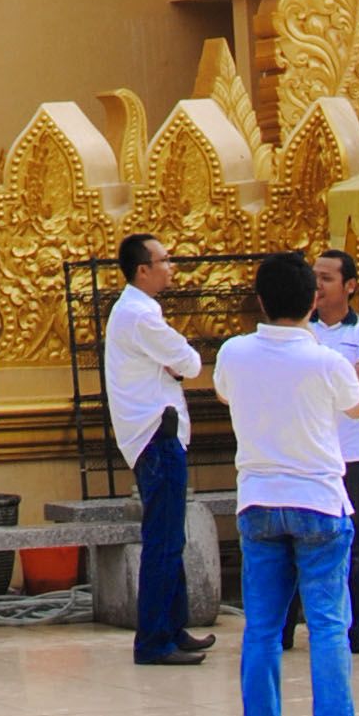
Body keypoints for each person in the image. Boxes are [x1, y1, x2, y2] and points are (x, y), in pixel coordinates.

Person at [215, 248, 359, 716]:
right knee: (329, 624)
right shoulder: (327, 360)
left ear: (260, 300)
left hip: (259, 500)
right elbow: (356, 403)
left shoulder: (234, 354)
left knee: (262, 626)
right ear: (313, 299)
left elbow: (224, 395)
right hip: (318, 502)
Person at [103, 234, 212, 669]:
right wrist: (178, 362)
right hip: (157, 437)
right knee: (163, 541)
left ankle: (172, 626)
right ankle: (153, 639)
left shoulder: (136, 311)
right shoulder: (139, 316)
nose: (171, 266)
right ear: (142, 270)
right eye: (164, 260)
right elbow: (189, 362)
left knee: (171, 537)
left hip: (154, 436)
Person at [283, 248, 359, 656]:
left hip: (350, 454)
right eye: (314, 277)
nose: (318, 285)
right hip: (302, 452)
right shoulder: (296, 331)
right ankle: (285, 629)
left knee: (349, 545)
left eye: (327, 278)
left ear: (350, 286)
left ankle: (351, 628)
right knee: (290, 542)